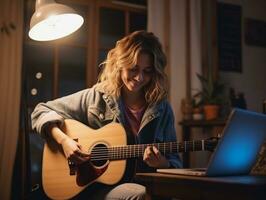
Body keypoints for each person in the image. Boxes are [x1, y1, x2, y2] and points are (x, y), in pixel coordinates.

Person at [31, 30, 182, 200]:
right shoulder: (96, 97)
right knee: (141, 195)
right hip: (98, 187)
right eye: (133, 69)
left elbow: (175, 162)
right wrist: (64, 141)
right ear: (120, 64)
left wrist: (162, 163)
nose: (139, 77)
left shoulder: (162, 109)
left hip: (144, 184)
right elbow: (41, 110)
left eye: (147, 71)